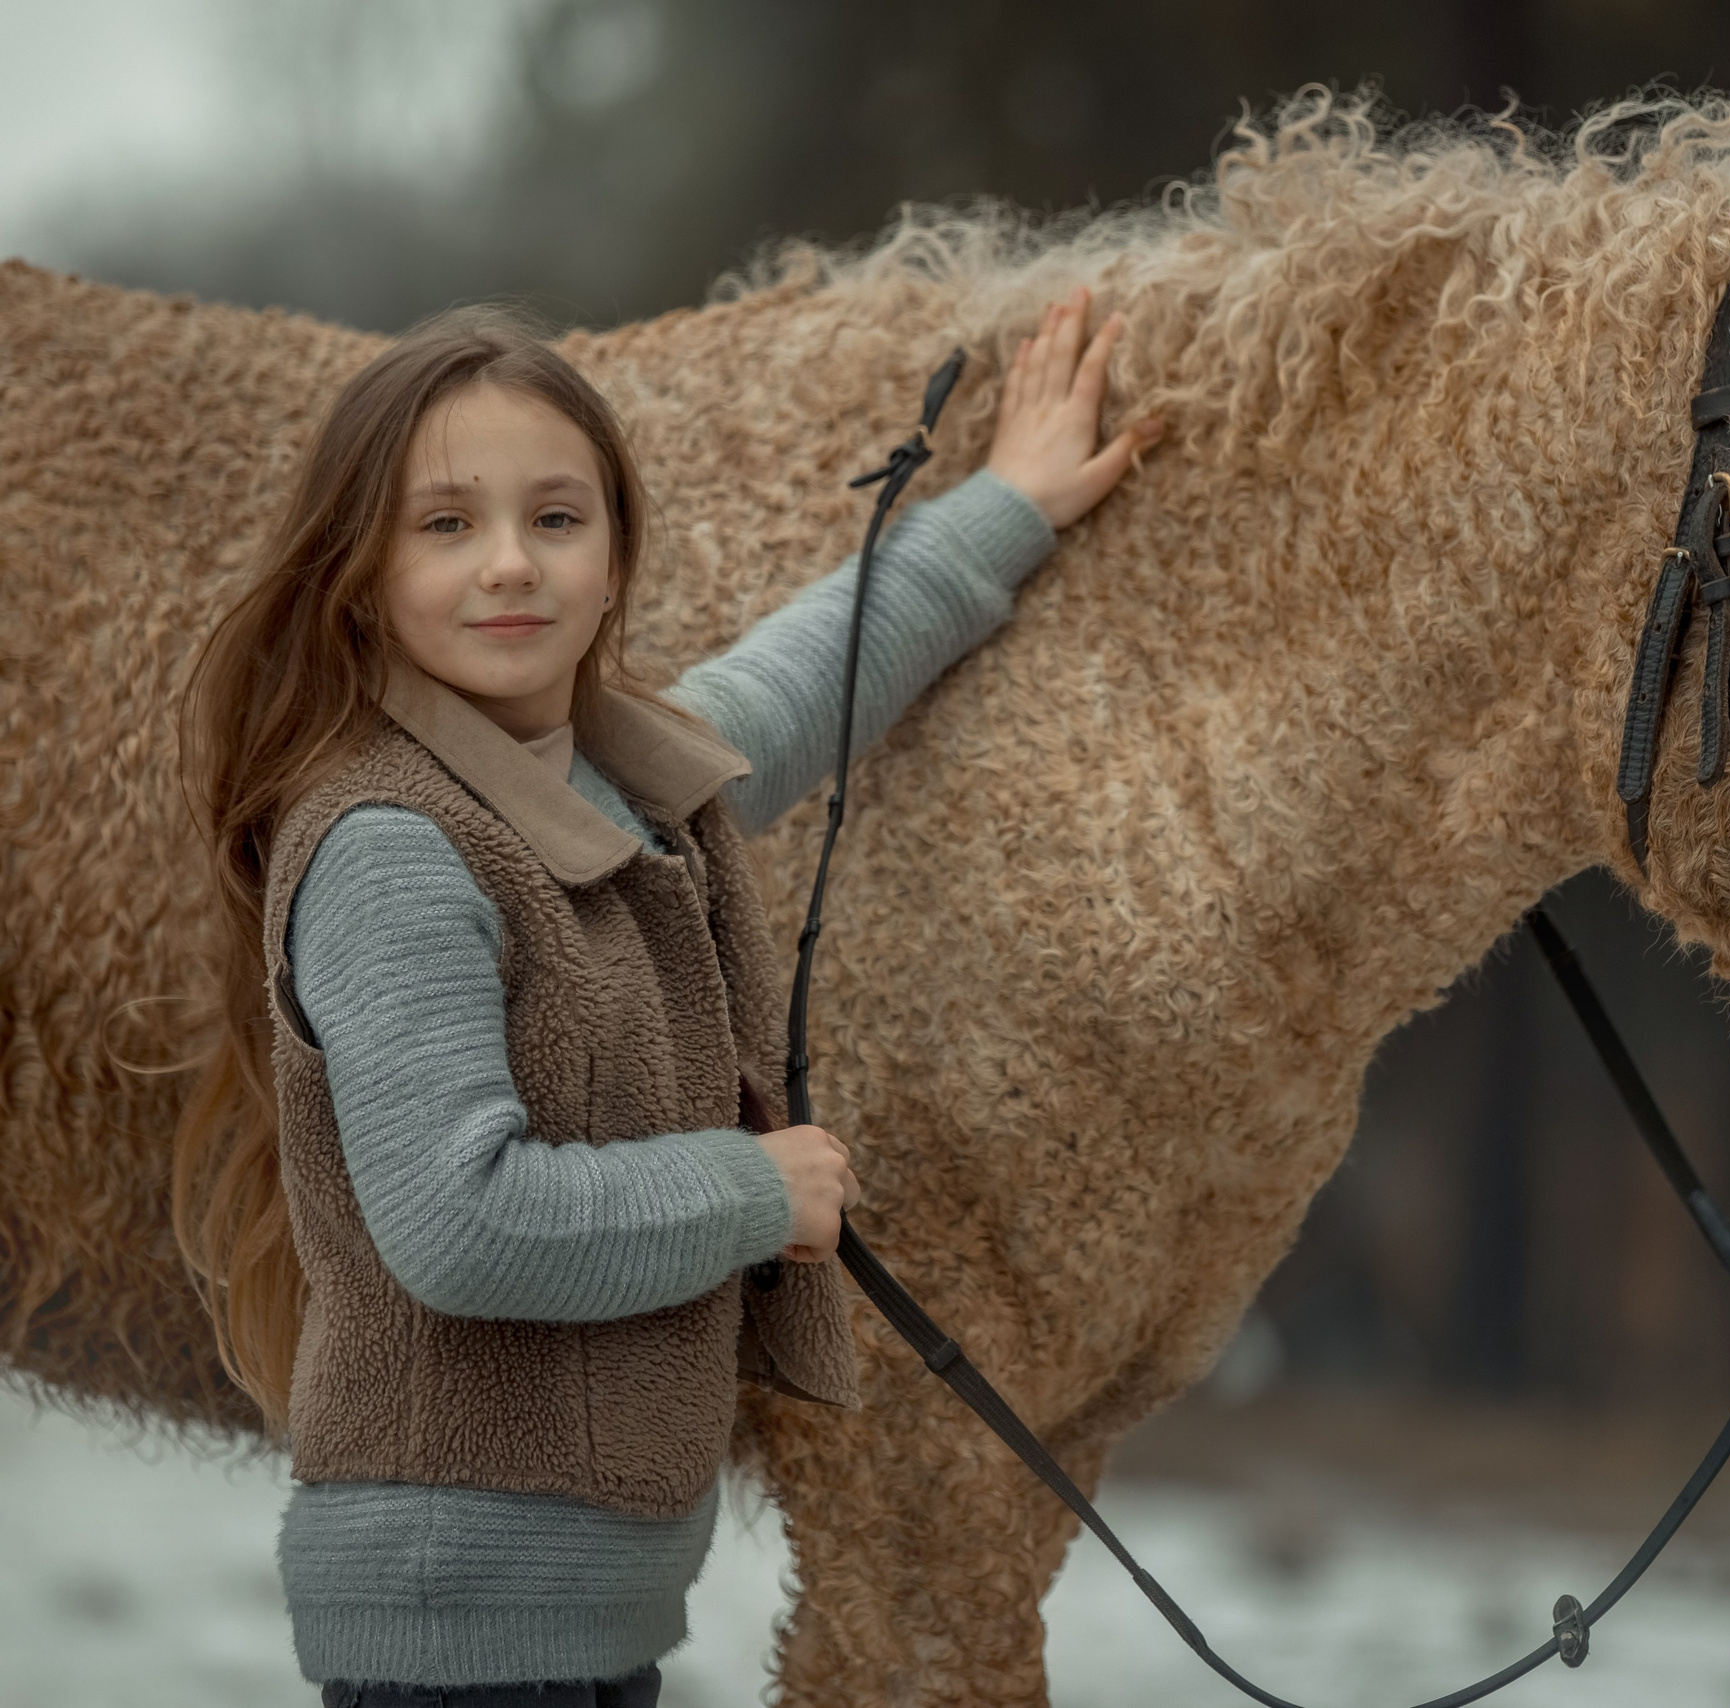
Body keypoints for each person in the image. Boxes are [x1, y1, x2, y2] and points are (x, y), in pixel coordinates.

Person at [174, 287, 1159, 1707]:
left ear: (618, 550)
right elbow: (465, 1224)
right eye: (446, 525)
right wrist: (758, 1194)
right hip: (459, 1629)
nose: (510, 564)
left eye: (557, 519)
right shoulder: (392, 849)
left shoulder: (611, 782)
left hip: (583, 1615)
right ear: (357, 567)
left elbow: (798, 681)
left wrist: (1005, 505)